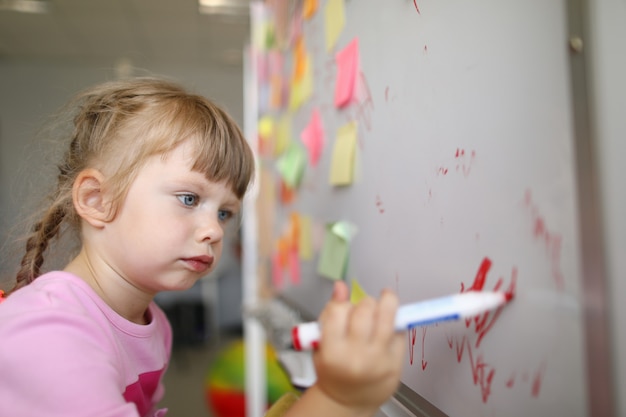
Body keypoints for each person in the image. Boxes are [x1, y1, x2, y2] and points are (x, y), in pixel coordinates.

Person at [0, 77, 405, 417]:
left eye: (225, 213)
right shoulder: (51, 336)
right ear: (96, 200)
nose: (214, 231)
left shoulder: (151, 322)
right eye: (189, 199)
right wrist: (337, 399)